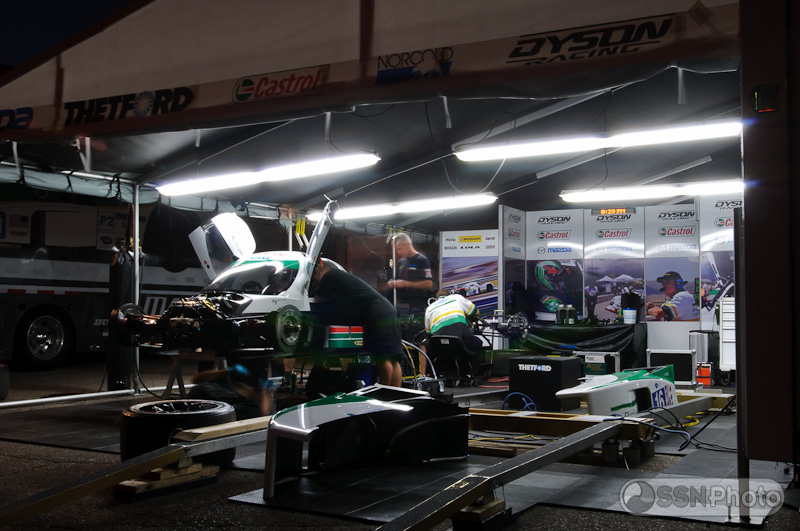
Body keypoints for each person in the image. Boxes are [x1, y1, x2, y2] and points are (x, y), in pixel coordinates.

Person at [312, 259, 403, 387]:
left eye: (313, 278)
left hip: (377, 311)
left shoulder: (329, 275)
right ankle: (396, 394)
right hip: (388, 310)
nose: (314, 282)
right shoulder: (343, 279)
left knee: (383, 356)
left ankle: (385, 393)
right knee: (393, 358)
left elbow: (318, 301)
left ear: (317, 271)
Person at [188, 364, 273, 419]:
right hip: (199, 399)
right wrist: (227, 371)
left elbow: (263, 413)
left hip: (201, 407)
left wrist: (264, 389)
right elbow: (196, 379)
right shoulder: (228, 380)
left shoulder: (247, 404)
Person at [424, 289, 483, 355]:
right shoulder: (456, 297)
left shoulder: (429, 308)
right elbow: (476, 312)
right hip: (461, 340)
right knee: (477, 343)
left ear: (436, 299)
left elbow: (428, 333)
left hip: (441, 346)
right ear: (449, 295)